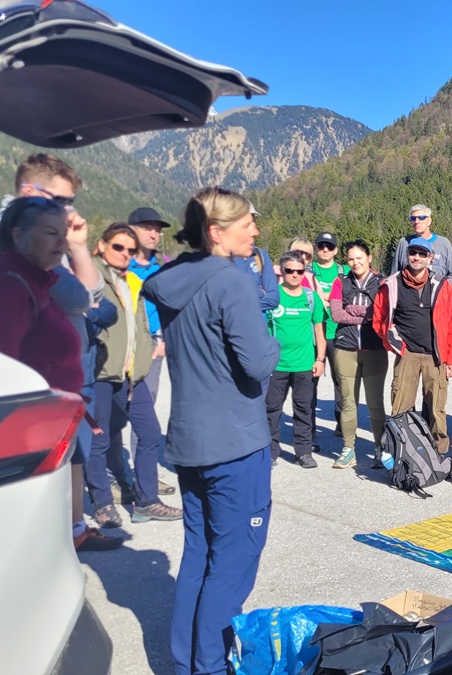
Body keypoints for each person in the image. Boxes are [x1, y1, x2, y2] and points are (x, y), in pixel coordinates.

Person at [140, 186, 280, 675]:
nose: (256, 232)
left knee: (199, 552)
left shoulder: (171, 279)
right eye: (247, 224)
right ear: (217, 232)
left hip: (189, 441)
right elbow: (259, 362)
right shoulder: (232, 282)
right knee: (234, 560)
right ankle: (212, 665)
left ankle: (187, 663)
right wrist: (273, 337)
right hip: (236, 442)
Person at [9, 154, 125, 551]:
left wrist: (73, 245)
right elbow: (80, 299)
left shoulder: (39, 248)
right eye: (60, 202)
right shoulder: (17, 261)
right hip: (28, 406)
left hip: (55, 395)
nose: (70, 213)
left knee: (69, 463)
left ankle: (70, 532)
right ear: (28, 194)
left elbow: (82, 294)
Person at [84, 223, 182, 527]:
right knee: (99, 441)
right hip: (100, 373)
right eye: (117, 247)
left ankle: (146, 501)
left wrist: (145, 356)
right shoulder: (90, 277)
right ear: (101, 246)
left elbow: (139, 324)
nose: (124, 253)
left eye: (129, 249)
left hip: (130, 375)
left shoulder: (133, 281)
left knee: (150, 434)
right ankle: (101, 503)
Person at [373, 237, 452, 459]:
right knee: (401, 406)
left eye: (423, 254)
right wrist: (392, 343)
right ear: (407, 255)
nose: (417, 258)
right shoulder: (391, 284)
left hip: (435, 355)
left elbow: (451, 323)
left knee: (436, 409)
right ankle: (401, 452)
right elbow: (379, 319)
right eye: (413, 253)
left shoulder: (441, 285)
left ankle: (438, 454)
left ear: (430, 258)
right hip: (407, 354)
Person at [125, 206, 176, 499]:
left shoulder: (162, 266)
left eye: (157, 229)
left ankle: (141, 474)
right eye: (147, 227)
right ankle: (130, 476)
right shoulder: (121, 264)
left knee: (145, 407)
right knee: (124, 410)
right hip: (127, 347)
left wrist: (165, 339)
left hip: (156, 345)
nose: (154, 233)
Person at [266, 251, 328, 469]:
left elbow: (319, 331)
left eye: (299, 271)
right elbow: (263, 331)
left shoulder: (311, 298)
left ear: (304, 272)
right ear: (282, 272)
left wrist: (320, 359)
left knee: (303, 409)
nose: (294, 274)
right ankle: (271, 451)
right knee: (272, 409)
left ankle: (303, 451)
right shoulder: (272, 298)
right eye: (289, 270)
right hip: (277, 364)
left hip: (304, 364)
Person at [328, 240, 387, 469]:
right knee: (348, 403)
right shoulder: (340, 282)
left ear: (369, 258)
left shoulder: (382, 283)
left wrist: (352, 309)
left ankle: (380, 448)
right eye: (351, 259)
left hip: (374, 350)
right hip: (346, 349)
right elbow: (336, 315)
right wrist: (365, 315)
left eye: (359, 258)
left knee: (375, 404)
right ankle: (348, 449)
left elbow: (380, 314)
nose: (355, 262)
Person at [310, 231, 347, 441]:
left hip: (337, 333)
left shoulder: (344, 271)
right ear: (316, 248)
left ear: (336, 250)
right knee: (309, 382)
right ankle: (309, 426)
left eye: (329, 246)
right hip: (312, 335)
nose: (325, 250)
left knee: (340, 379)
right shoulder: (307, 270)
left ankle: (342, 422)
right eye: (321, 246)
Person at [388, 203, 452, 286]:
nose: (417, 221)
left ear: (429, 221)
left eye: (421, 218)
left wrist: (440, 290)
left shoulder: (444, 244)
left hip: (437, 297)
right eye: (413, 218)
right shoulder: (403, 243)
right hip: (408, 296)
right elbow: (393, 276)